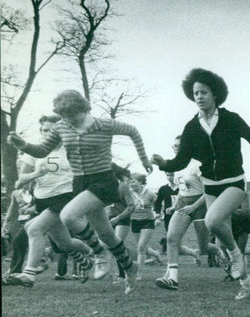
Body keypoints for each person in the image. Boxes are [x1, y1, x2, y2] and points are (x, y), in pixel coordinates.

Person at [7, 90, 152, 295]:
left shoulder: (104, 124)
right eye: (65, 117)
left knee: (68, 216)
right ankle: (130, 267)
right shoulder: (61, 127)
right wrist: (22, 144)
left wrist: (144, 159)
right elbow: (41, 151)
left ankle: (99, 254)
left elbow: (133, 131)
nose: (69, 121)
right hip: (80, 182)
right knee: (106, 233)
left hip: (103, 180)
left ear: (84, 109)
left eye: (73, 116)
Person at [151, 68, 250, 300]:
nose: (199, 96)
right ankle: (246, 283)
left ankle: (237, 256)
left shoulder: (231, 119)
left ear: (215, 94)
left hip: (234, 182)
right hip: (210, 185)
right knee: (221, 236)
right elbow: (181, 160)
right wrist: (164, 164)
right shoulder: (191, 127)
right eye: (195, 93)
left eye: (204, 92)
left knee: (211, 220)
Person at [2, 116, 95, 288]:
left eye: (54, 130)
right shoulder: (33, 151)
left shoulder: (71, 149)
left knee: (34, 229)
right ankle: (92, 254)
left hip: (66, 197)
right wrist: (36, 174)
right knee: (64, 243)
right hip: (43, 200)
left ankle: (28, 274)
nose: (49, 134)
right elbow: (20, 180)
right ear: (41, 131)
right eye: (45, 130)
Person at [154, 135, 223, 291]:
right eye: (174, 146)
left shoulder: (197, 165)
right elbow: (182, 189)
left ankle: (221, 255)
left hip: (201, 205)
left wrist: (194, 207)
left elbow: (210, 190)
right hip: (184, 206)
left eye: (179, 145)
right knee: (172, 238)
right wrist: (176, 205)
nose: (176, 148)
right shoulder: (175, 166)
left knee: (203, 247)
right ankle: (172, 278)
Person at [128, 173, 162, 280]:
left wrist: (158, 215)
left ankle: (139, 273)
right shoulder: (129, 193)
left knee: (141, 247)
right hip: (134, 221)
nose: (131, 184)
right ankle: (155, 254)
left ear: (140, 182)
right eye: (130, 182)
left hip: (148, 221)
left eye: (133, 181)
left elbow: (159, 204)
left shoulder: (149, 193)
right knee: (142, 247)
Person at [155, 173, 179, 254]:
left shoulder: (182, 188)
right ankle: (168, 247)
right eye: (168, 175)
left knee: (178, 233)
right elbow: (158, 202)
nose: (170, 177)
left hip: (181, 213)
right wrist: (157, 212)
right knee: (169, 232)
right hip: (168, 215)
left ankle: (173, 247)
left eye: (172, 175)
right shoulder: (163, 189)